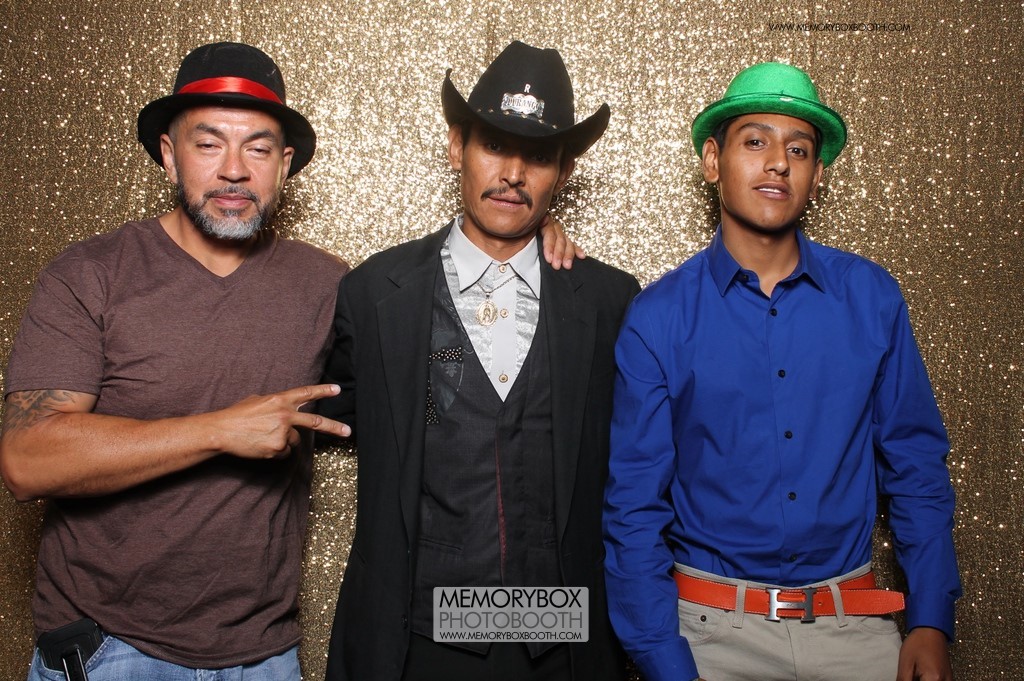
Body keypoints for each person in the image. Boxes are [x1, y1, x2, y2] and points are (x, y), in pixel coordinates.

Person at [0, 42, 355, 679]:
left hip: (265, 656)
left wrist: (524, 246)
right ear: (169, 155)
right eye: (208, 144)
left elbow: (431, 374)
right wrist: (219, 431)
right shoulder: (89, 275)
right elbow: (27, 459)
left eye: (258, 149)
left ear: (284, 165)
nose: (234, 171)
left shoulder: (327, 285)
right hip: (110, 649)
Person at [603, 62, 961, 681]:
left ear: (817, 175)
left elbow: (916, 464)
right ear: (712, 162)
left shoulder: (872, 298)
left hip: (854, 630)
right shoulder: (658, 317)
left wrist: (931, 618)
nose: (777, 163)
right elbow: (634, 508)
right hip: (708, 638)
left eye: (798, 149)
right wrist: (664, 660)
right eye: (755, 142)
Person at [320, 41, 639, 681]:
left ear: (563, 172)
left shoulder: (610, 301)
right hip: (416, 639)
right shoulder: (373, 293)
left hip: (558, 638)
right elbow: (334, 408)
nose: (513, 173)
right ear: (455, 148)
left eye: (538, 156)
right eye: (494, 145)